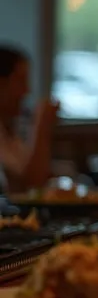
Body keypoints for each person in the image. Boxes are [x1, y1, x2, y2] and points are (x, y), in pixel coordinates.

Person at [0, 46, 57, 193]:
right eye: (20, 80)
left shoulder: (11, 129)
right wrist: (42, 124)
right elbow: (31, 185)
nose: (27, 90)